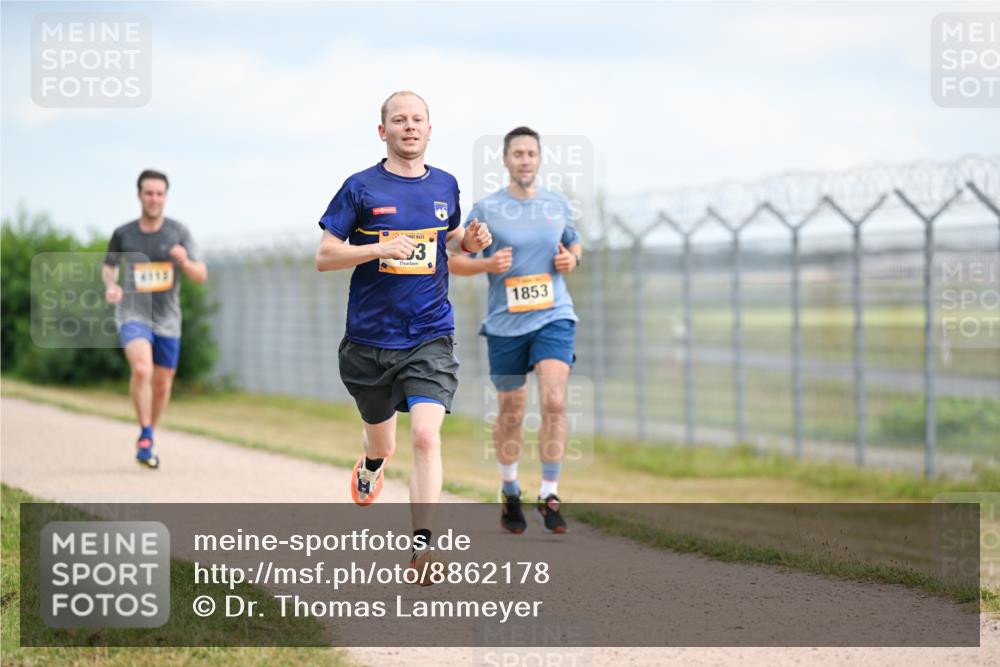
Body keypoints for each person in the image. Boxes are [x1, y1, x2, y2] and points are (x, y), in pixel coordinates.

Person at [314, 91, 491, 576]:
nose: (409, 126)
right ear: (383, 131)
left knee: (427, 438)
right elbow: (325, 256)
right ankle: (372, 464)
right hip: (369, 340)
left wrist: (469, 241)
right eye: (399, 120)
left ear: (429, 129)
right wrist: (377, 248)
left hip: (429, 334)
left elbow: (448, 238)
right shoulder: (360, 188)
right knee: (384, 445)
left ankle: (422, 548)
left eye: (417, 119)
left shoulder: (446, 185)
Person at [450, 127, 582, 534]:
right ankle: (510, 490)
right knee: (512, 410)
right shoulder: (487, 209)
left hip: (554, 315)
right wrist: (487, 264)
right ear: (506, 160)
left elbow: (574, 244)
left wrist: (572, 260)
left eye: (532, 153)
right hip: (506, 324)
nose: (525, 160)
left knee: (555, 401)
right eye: (518, 153)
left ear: (539, 159)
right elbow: (453, 259)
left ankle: (549, 493)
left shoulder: (556, 203)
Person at [103, 169, 208, 468]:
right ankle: (146, 436)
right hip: (133, 312)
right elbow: (109, 266)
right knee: (142, 370)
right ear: (139, 195)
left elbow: (201, 275)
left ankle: (149, 433)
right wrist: (111, 286)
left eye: (159, 193)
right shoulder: (124, 233)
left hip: (168, 319)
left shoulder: (178, 232)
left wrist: (184, 261)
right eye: (149, 193)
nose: (154, 198)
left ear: (165, 197)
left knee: (162, 384)